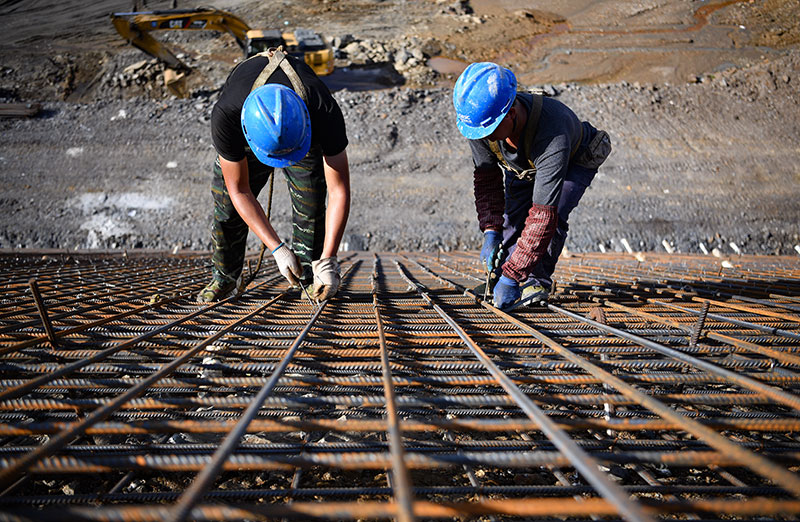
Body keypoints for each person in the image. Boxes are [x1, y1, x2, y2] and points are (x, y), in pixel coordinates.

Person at [453, 62, 611, 310]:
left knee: (554, 214)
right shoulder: (481, 124)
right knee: (513, 218)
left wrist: (512, 276)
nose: (483, 138)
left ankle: (534, 279)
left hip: (574, 159)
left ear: (512, 114)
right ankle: (503, 273)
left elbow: (543, 216)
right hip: (525, 163)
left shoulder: (552, 133)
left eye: (490, 132)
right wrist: (491, 230)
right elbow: (487, 180)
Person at [197, 47, 350, 302]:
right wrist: (277, 248)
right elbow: (239, 190)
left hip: (303, 137)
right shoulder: (227, 116)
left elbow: (339, 190)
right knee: (226, 206)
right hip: (251, 138)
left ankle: (310, 278)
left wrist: (329, 259)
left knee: (310, 207)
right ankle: (224, 278)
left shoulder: (322, 109)